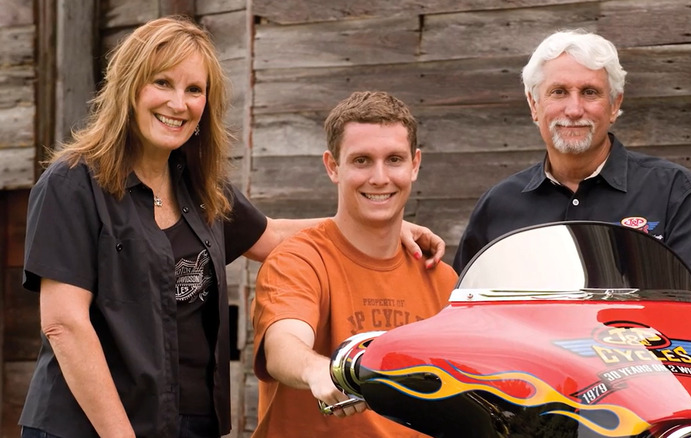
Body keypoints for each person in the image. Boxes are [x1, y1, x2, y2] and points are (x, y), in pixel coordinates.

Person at [19, 17, 445, 438]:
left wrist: (385, 220)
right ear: (128, 87)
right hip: (89, 425)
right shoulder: (73, 183)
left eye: (194, 90)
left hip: (186, 421)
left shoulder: (198, 185)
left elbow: (272, 236)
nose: (178, 103)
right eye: (162, 83)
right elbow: (64, 325)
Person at [452, 29, 691, 306]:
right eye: (558, 92)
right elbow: (463, 311)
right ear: (533, 104)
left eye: (589, 92)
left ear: (614, 104)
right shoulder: (498, 205)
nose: (574, 110)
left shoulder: (674, 193)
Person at [251, 91, 458, 438]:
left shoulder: (441, 279)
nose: (379, 177)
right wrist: (318, 371)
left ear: (415, 164)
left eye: (394, 159)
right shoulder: (298, 260)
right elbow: (282, 345)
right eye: (361, 160)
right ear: (333, 166)